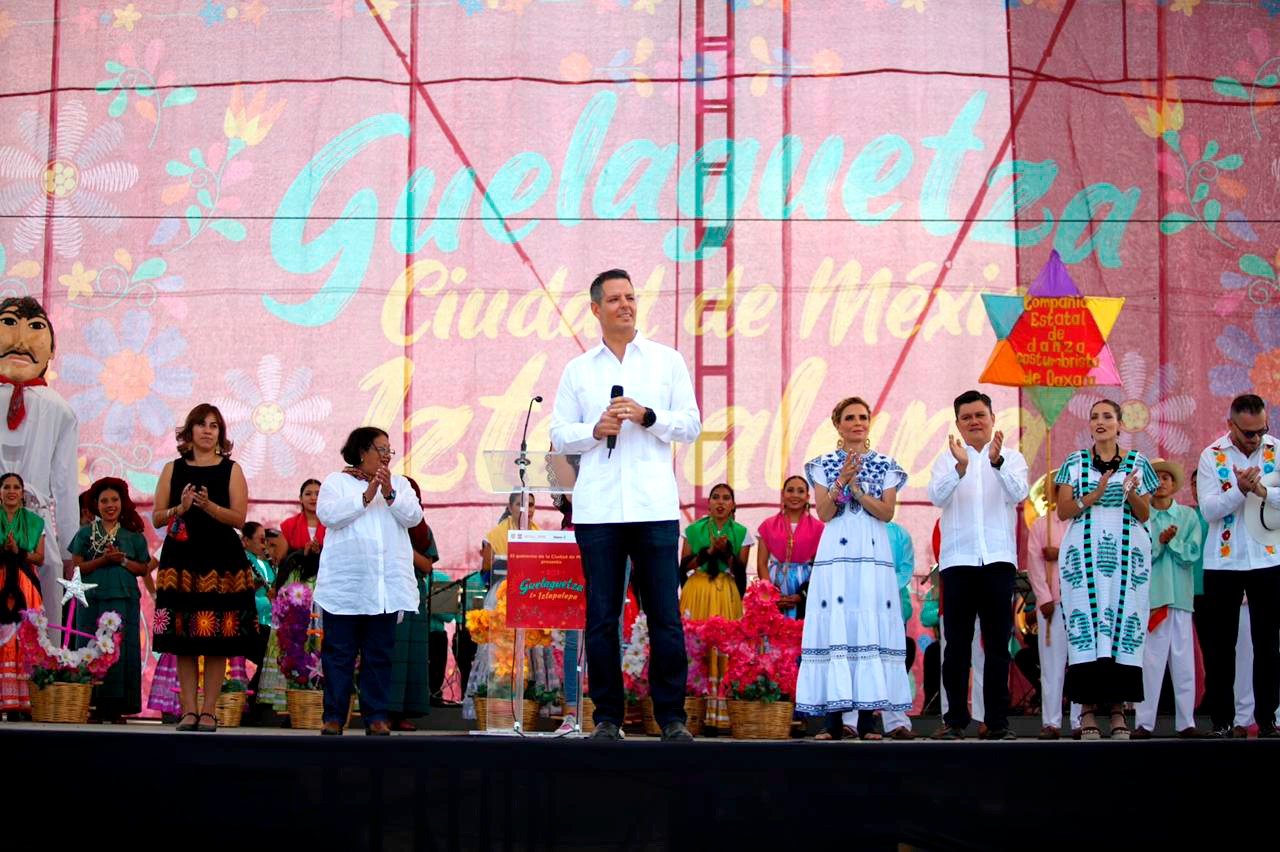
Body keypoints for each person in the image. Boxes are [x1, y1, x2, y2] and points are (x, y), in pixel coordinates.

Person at [549, 268, 701, 742]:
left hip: (653, 507)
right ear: (596, 309)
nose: (625, 305)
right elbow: (558, 434)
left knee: (664, 616)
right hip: (598, 512)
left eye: (630, 297)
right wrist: (593, 430)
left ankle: (671, 716)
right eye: (614, 299)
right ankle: (607, 717)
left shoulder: (665, 361)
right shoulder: (579, 369)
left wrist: (648, 416)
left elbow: (691, 424)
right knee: (601, 617)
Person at [797, 396, 911, 741]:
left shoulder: (886, 464)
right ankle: (833, 722)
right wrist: (839, 481)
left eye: (863, 417)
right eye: (850, 417)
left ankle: (868, 720)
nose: (857, 423)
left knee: (869, 626)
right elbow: (825, 513)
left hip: (872, 551)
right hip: (837, 552)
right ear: (837, 423)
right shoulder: (822, 463)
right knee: (839, 627)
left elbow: (887, 512)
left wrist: (858, 491)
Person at [927, 390, 1029, 740]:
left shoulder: (1011, 458)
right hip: (958, 561)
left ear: (992, 418)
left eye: (979, 415)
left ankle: (996, 721)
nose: (974, 422)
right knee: (955, 645)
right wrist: (960, 468)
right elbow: (937, 497)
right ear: (957, 423)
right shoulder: (947, 460)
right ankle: (955, 720)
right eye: (966, 417)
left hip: (998, 561)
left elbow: (1019, 494)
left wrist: (997, 463)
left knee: (998, 644)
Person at [1054, 399, 1156, 740]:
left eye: (1107, 417)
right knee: (1088, 624)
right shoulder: (1075, 462)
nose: (1100, 422)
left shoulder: (1138, 462)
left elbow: (1146, 514)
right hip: (1084, 554)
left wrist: (1130, 494)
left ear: (1120, 423)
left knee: (1121, 625)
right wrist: (1094, 494)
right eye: (1094, 416)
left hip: (1127, 557)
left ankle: (1117, 710)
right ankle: (1086, 712)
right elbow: (1063, 510)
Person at [151, 404, 257, 732]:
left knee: (216, 639)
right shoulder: (173, 468)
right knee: (183, 638)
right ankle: (188, 710)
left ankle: (209, 711)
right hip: (181, 560)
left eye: (214, 426)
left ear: (220, 434)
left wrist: (209, 506)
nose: (207, 431)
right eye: (201, 425)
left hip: (221, 561)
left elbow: (239, 519)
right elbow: (156, 517)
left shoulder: (232, 469)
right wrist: (179, 508)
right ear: (190, 432)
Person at [314, 427, 423, 736]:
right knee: (338, 654)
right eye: (381, 449)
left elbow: (413, 518)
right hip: (346, 588)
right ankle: (334, 716)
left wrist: (388, 493)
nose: (387, 456)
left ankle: (376, 716)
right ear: (363, 451)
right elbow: (328, 516)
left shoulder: (400, 484)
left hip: (384, 589)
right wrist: (366, 497)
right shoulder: (337, 482)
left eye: (390, 451)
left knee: (379, 655)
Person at [1196, 393, 1280, 738]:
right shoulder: (1212, 455)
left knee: (1268, 645)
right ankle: (1222, 720)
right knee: (1220, 645)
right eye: (1248, 433)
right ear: (1230, 425)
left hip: (1269, 557)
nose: (1256, 438)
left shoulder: (1275, 449)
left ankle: (1267, 718)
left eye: (1261, 430)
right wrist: (1240, 491)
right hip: (1223, 562)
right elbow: (1209, 509)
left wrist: (1260, 490)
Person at [0, 298, 78, 640]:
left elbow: (64, 482)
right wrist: (66, 551)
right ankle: (46, 671)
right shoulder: (61, 409)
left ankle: (45, 671)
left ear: (51, 351)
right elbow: (63, 484)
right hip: (38, 516)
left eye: (34, 328)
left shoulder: (60, 411)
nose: (20, 341)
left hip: (37, 518)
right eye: (8, 324)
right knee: (49, 580)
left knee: (48, 584)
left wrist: (67, 549)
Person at [69, 478, 154, 722]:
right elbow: (77, 568)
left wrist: (123, 561)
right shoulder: (85, 533)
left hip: (124, 599)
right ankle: (92, 706)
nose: (110, 505)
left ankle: (116, 708)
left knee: (121, 651)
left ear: (122, 502)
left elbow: (142, 569)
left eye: (114, 500)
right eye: (104, 501)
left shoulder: (133, 536)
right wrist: (104, 561)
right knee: (90, 648)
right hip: (92, 600)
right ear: (96, 505)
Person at [1132, 459, 1203, 738]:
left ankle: (1186, 722)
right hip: (1153, 600)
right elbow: (1140, 558)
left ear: (1174, 484)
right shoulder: (1141, 517)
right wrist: (1161, 543)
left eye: (1166, 478)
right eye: (1156, 478)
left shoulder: (1187, 516)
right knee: (1150, 663)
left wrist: (1171, 541)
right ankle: (1144, 723)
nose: (1161, 482)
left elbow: (1192, 554)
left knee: (1184, 661)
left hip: (1181, 599)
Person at [680, 482, 753, 730]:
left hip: (726, 592)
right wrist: (708, 551)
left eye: (726, 498)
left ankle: (720, 717)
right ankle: (692, 715)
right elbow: (684, 567)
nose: (720, 502)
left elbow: (740, 573)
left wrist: (726, 553)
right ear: (708, 503)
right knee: (695, 648)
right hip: (697, 590)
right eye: (715, 497)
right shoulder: (692, 530)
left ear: (733, 505)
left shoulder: (743, 533)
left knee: (725, 652)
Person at [1023, 471, 1081, 740]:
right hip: (1053, 604)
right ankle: (1052, 722)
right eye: (1061, 490)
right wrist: (1044, 598)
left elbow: (1089, 559)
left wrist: (1061, 554)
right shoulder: (1041, 526)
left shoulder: (1084, 523)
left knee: (1081, 664)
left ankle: (1081, 721)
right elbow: (1035, 564)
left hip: (1081, 603)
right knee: (1052, 665)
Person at [388, 478, 438, 731]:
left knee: (411, 656)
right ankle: (381, 711)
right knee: (386, 652)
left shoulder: (420, 529)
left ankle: (404, 712)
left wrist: (403, 547)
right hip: (384, 591)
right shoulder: (382, 520)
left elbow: (427, 565)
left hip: (411, 596)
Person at [0, 472, 44, 716]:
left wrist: (18, 551)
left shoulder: (34, 522)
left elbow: (41, 558)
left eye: (16, 487)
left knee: (23, 639)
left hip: (25, 585)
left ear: (22, 492)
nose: (11, 491)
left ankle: (21, 703)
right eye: (6, 486)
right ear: (0, 492)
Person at [756, 475, 822, 619]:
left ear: (807, 496)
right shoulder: (767, 525)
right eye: (790, 490)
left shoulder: (819, 528)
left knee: (801, 634)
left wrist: (802, 595)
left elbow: (820, 567)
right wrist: (771, 594)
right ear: (783, 495)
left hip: (806, 587)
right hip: (774, 585)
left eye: (800, 491)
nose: (795, 495)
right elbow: (761, 563)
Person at [242, 521, 275, 722]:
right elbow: (241, 596)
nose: (265, 545)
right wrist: (267, 601)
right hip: (247, 624)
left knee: (276, 652)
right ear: (245, 541)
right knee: (268, 653)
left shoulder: (263, 562)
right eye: (261, 540)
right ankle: (252, 704)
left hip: (267, 623)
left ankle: (257, 704)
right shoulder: (243, 562)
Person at [280, 479, 325, 555]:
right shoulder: (288, 525)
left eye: (318, 494)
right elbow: (282, 557)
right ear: (300, 498)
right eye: (308, 494)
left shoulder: (332, 524)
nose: (313, 498)